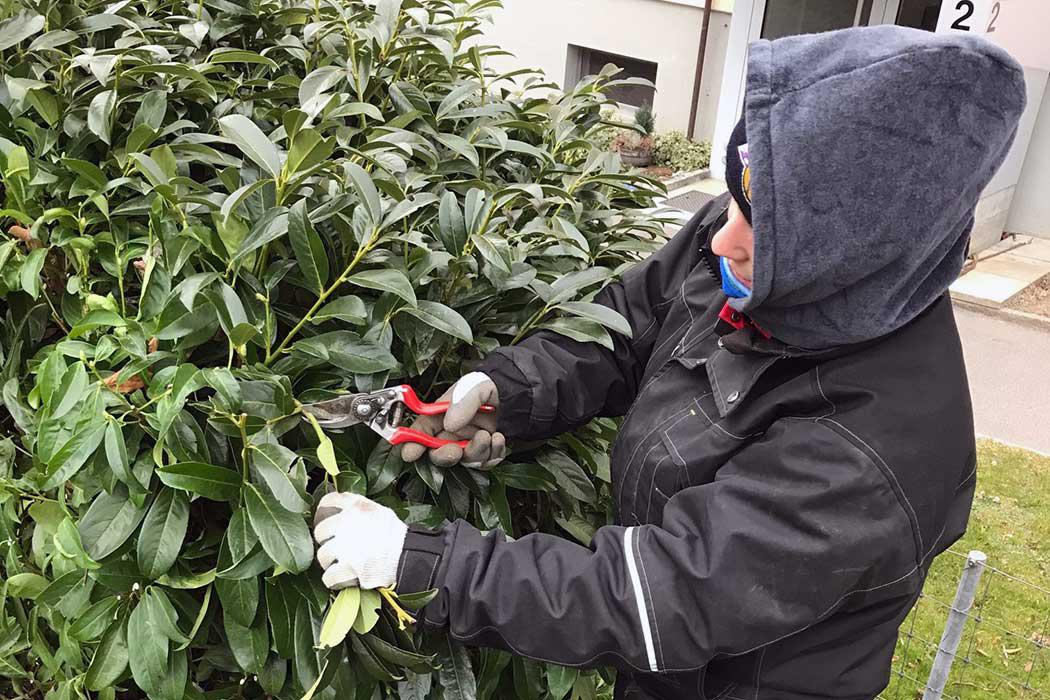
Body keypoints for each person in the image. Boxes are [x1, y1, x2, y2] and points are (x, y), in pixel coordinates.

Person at [311, 25, 1026, 699]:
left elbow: (665, 596)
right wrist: (508, 391)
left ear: (851, 255)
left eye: (761, 226)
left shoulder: (874, 450)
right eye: (740, 200)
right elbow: (627, 326)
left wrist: (423, 562)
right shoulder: (762, 247)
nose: (724, 238)